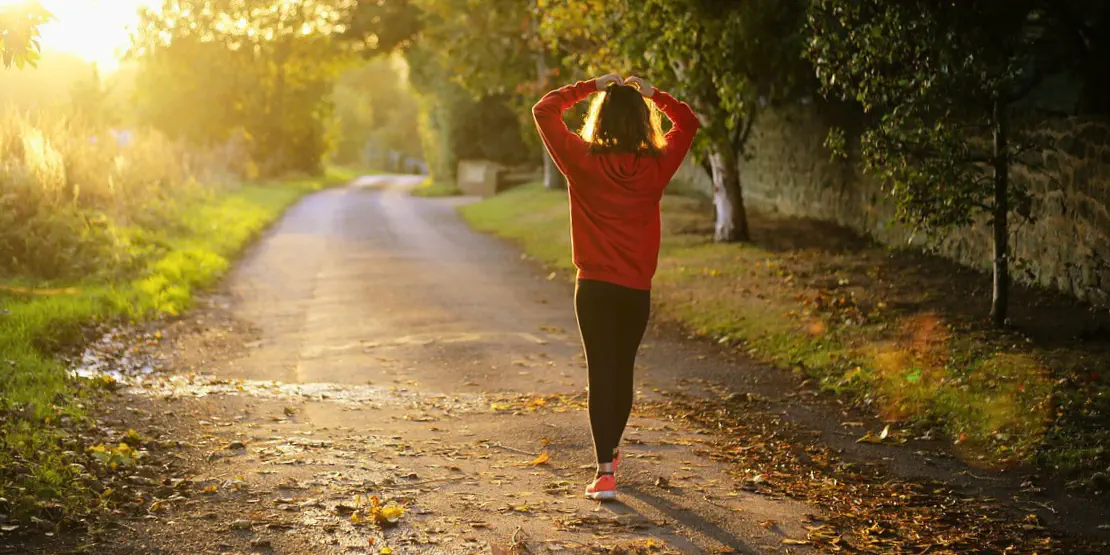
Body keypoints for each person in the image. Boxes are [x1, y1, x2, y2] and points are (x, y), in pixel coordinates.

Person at [531, 74, 699, 500]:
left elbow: (544, 109)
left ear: (600, 120)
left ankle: (605, 470)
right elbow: (689, 123)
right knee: (621, 371)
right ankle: (611, 451)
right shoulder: (657, 165)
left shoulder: (581, 160)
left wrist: (590, 86)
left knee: (600, 373)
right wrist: (655, 95)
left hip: (593, 288)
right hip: (634, 290)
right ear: (643, 122)